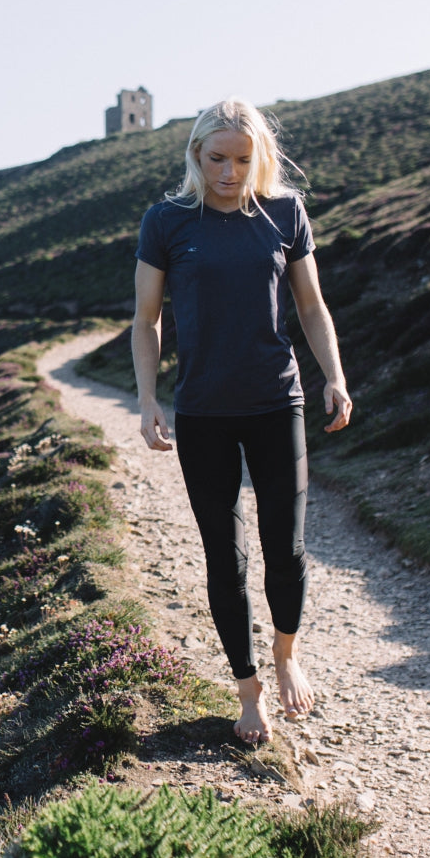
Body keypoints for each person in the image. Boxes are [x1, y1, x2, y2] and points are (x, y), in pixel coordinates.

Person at [131, 98, 352, 745]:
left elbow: (310, 307)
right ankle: (247, 689)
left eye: (242, 159)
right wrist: (147, 400)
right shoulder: (167, 221)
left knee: (284, 550)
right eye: (217, 158)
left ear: (261, 158)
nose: (229, 172)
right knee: (223, 561)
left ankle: (286, 653)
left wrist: (333, 376)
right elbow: (146, 320)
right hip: (202, 413)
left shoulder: (283, 214)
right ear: (196, 156)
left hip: (275, 403)